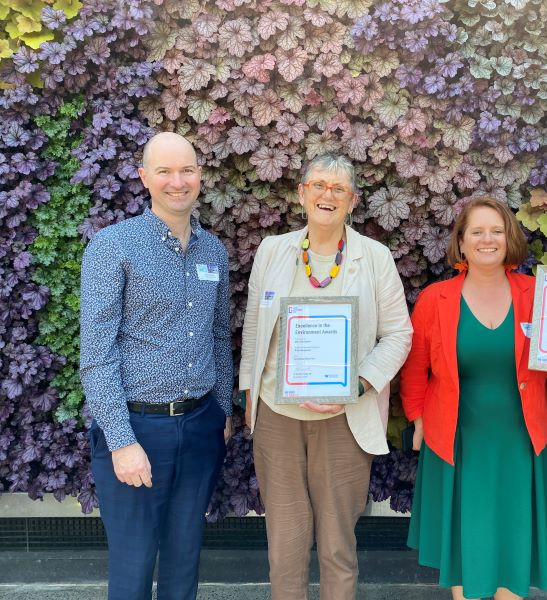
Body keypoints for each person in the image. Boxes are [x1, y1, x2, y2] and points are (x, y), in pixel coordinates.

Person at [239, 152, 412, 600]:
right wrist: (248, 401)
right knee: (285, 547)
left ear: (352, 201)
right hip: (278, 419)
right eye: (317, 185)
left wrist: (357, 385)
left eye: (338, 188)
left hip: (344, 420)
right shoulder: (272, 251)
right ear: (301, 194)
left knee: (337, 547)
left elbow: (399, 336)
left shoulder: (375, 257)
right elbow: (255, 334)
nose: (326, 195)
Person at [80, 131, 233, 600]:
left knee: (185, 558)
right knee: (133, 562)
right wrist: (121, 441)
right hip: (137, 430)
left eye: (186, 170)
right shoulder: (113, 247)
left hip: (201, 424)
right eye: (164, 171)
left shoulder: (214, 252)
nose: (177, 181)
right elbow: (96, 354)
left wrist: (222, 411)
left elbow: (220, 334)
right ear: (144, 177)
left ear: (200, 177)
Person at [400, 196, 547, 600]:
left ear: (509, 238)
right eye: (476, 231)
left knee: (514, 543)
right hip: (458, 440)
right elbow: (415, 368)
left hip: (522, 439)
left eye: (496, 231)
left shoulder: (539, 293)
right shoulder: (435, 299)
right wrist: (417, 418)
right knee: (468, 542)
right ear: (461, 242)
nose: (487, 239)